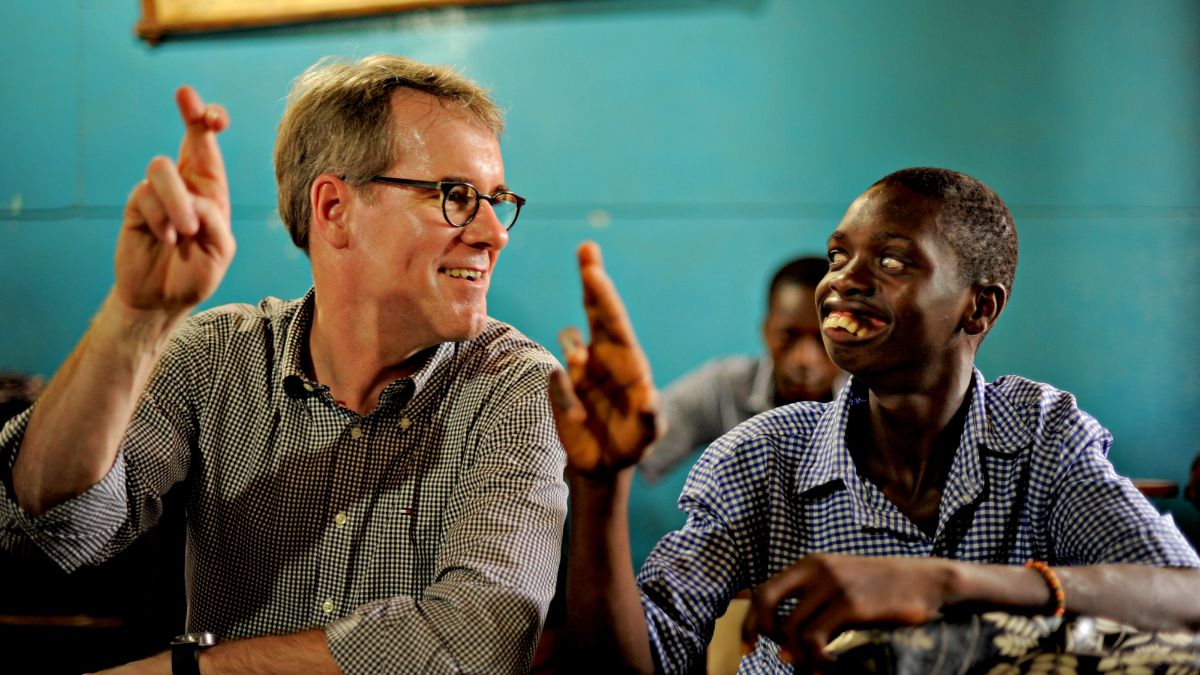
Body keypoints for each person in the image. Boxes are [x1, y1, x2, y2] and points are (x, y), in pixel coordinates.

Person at [0, 55, 567, 674]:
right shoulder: (216, 357)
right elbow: (47, 528)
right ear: (333, 209)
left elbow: (480, 638)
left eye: (497, 200)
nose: (494, 232)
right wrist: (135, 318)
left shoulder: (514, 387)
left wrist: (199, 670)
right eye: (457, 196)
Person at [549, 167, 1200, 673]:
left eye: (892, 261)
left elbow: (1185, 595)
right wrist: (600, 489)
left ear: (978, 308)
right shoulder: (763, 455)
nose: (843, 282)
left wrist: (943, 581)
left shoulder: (1041, 433)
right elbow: (638, 660)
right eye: (838, 257)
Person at [638, 256, 844, 484]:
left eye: (825, 337)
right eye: (788, 336)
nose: (805, 359)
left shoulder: (872, 400)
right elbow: (641, 443)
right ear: (766, 331)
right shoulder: (724, 386)